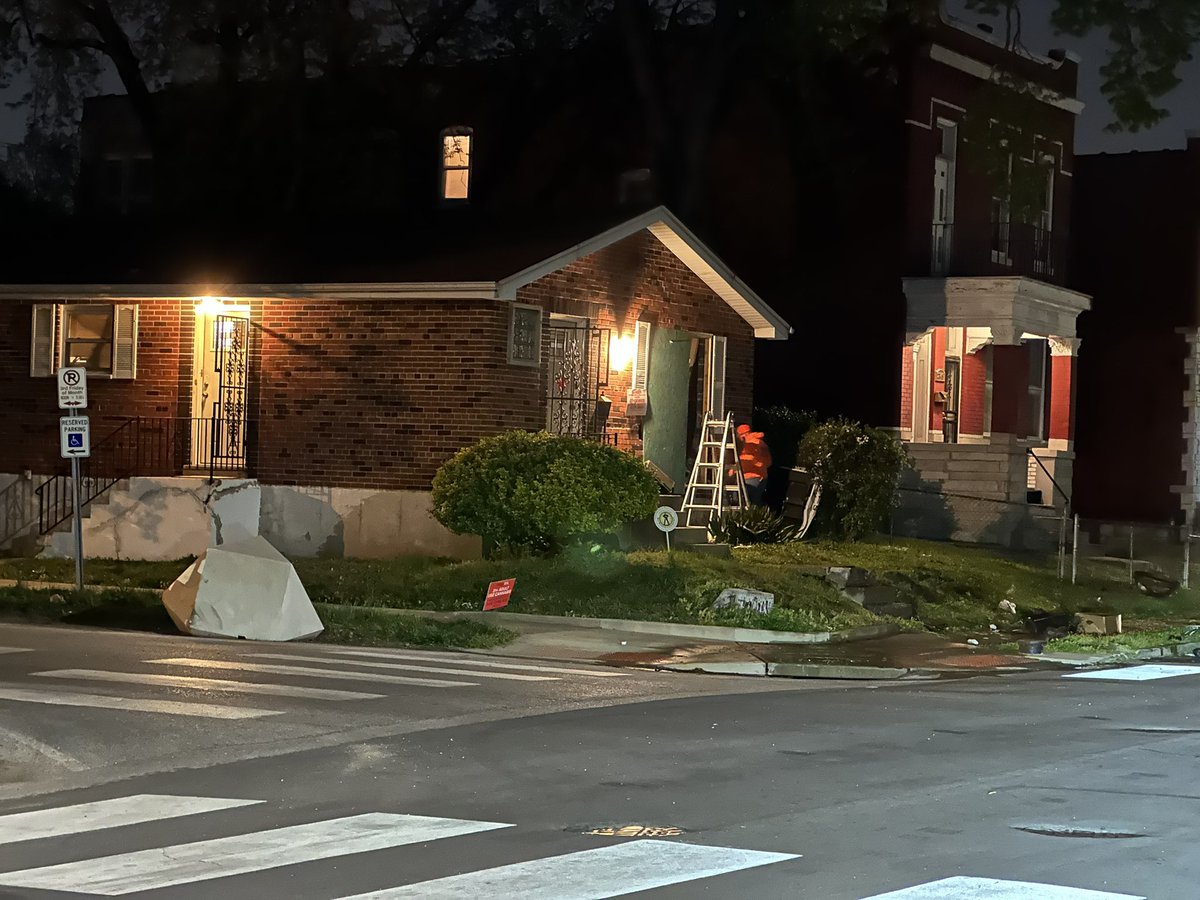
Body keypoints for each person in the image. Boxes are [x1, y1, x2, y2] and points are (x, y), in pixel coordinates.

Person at [735, 424, 771, 505]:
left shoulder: (739, 445)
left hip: (746, 478)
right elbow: (768, 462)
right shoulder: (761, 443)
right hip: (758, 478)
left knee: (742, 503)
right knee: (754, 504)